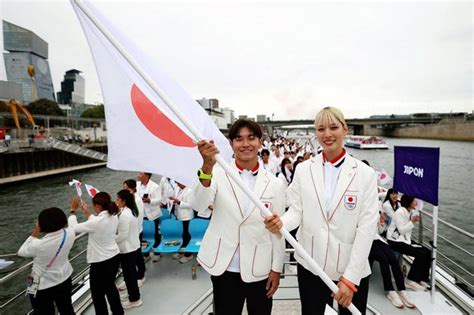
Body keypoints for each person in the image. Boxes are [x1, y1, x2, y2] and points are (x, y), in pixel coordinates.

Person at [265, 107, 379, 315]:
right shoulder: (303, 169)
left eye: (333, 127)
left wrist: (350, 279)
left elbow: (366, 229)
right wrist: (281, 223)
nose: (327, 134)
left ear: (345, 130)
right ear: (315, 133)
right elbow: (297, 212)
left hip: (350, 269)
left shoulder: (366, 175)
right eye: (321, 129)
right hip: (311, 265)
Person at [190, 118, 286, 315]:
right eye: (239, 139)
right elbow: (199, 206)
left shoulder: (275, 183)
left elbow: (279, 231)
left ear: (260, 142)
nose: (245, 144)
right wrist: (206, 167)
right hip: (224, 267)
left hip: (260, 268)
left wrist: (276, 269)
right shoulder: (216, 173)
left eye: (251, 138)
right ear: (231, 144)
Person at [68, 192, 124, 315]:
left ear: (98, 206)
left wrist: (73, 210)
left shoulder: (97, 222)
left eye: (94, 206)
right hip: (114, 257)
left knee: (98, 294)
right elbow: (97, 221)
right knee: (110, 287)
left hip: (101, 263)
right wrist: (87, 212)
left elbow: (73, 227)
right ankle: (118, 312)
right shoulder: (113, 215)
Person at [18, 208, 75, 315]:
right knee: (67, 309)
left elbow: (21, 252)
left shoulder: (38, 245)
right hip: (65, 278)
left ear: (42, 225)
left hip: (42, 285)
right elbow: (71, 224)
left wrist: (35, 232)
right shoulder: (70, 233)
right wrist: (72, 211)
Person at [369, 212, 415, 309]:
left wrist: (381, 223)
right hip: (366, 240)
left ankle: (402, 290)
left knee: (393, 258)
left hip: (376, 238)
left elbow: (380, 232)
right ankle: (390, 291)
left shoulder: (377, 208)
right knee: (383, 259)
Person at [387, 194, 432, 292]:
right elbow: (401, 230)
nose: (416, 203)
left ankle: (422, 279)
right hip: (395, 241)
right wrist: (412, 222)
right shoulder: (400, 212)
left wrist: (412, 221)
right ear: (409, 202)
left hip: (404, 240)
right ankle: (411, 280)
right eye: (414, 201)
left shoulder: (409, 212)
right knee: (420, 254)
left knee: (428, 252)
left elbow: (406, 232)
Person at [115, 189, 142, 309]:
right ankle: (133, 295)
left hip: (127, 248)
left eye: (118, 199)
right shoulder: (132, 211)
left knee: (129, 275)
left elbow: (122, 235)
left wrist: (111, 240)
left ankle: (135, 299)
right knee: (130, 274)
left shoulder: (125, 215)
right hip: (133, 245)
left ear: (124, 201)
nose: (116, 201)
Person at [122, 179, 146, 286]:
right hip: (132, 232)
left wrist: (134, 231)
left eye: (125, 188)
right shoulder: (130, 200)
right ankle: (132, 276)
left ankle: (141, 275)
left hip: (136, 231)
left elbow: (138, 216)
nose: (124, 190)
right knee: (135, 254)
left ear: (131, 188)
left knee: (137, 254)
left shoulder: (136, 200)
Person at [136, 172, 163, 262]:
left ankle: (157, 252)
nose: (138, 175)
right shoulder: (137, 185)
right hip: (141, 214)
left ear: (147, 176)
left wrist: (150, 200)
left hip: (152, 214)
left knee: (155, 233)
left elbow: (159, 200)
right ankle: (146, 254)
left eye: (140, 174)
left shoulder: (155, 186)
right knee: (143, 234)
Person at [169, 182, 194, 263]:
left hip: (187, 217)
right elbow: (175, 198)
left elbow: (191, 205)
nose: (177, 185)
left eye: (178, 183)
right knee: (182, 235)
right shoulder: (177, 188)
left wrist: (179, 202)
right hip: (178, 215)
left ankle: (188, 255)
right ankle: (182, 252)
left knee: (187, 235)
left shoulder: (190, 191)